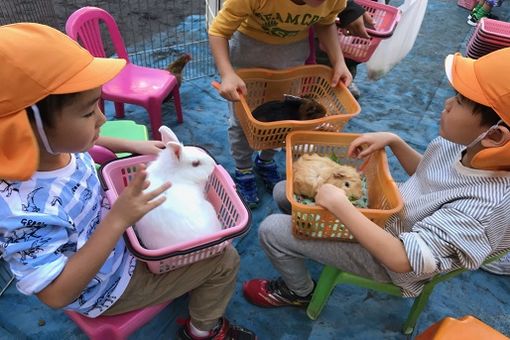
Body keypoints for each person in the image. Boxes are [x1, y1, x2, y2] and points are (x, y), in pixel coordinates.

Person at [0, 23, 255, 340]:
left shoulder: (55, 151)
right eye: (86, 113)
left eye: (98, 104)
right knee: (225, 261)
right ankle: (204, 331)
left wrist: (132, 145)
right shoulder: (23, 212)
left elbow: (85, 147)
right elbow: (56, 295)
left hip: (122, 246)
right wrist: (118, 219)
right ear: (26, 128)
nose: (102, 118)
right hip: (108, 286)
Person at [242, 47, 510, 307]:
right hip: (386, 216)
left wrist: (340, 206)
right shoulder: (463, 145)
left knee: (272, 230)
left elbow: (405, 260)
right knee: (282, 191)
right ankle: (311, 242)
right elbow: (428, 175)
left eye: (460, 102)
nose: (447, 103)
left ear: (496, 136)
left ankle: (298, 292)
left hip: (392, 259)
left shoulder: (485, 206)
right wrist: (395, 142)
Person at [208, 0, 352, 207]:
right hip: (249, 52)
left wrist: (339, 61)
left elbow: (325, 22)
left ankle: (265, 161)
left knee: (285, 119)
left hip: (292, 55)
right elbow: (219, 31)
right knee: (243, 120)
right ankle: (244, 169)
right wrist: (227, 73)